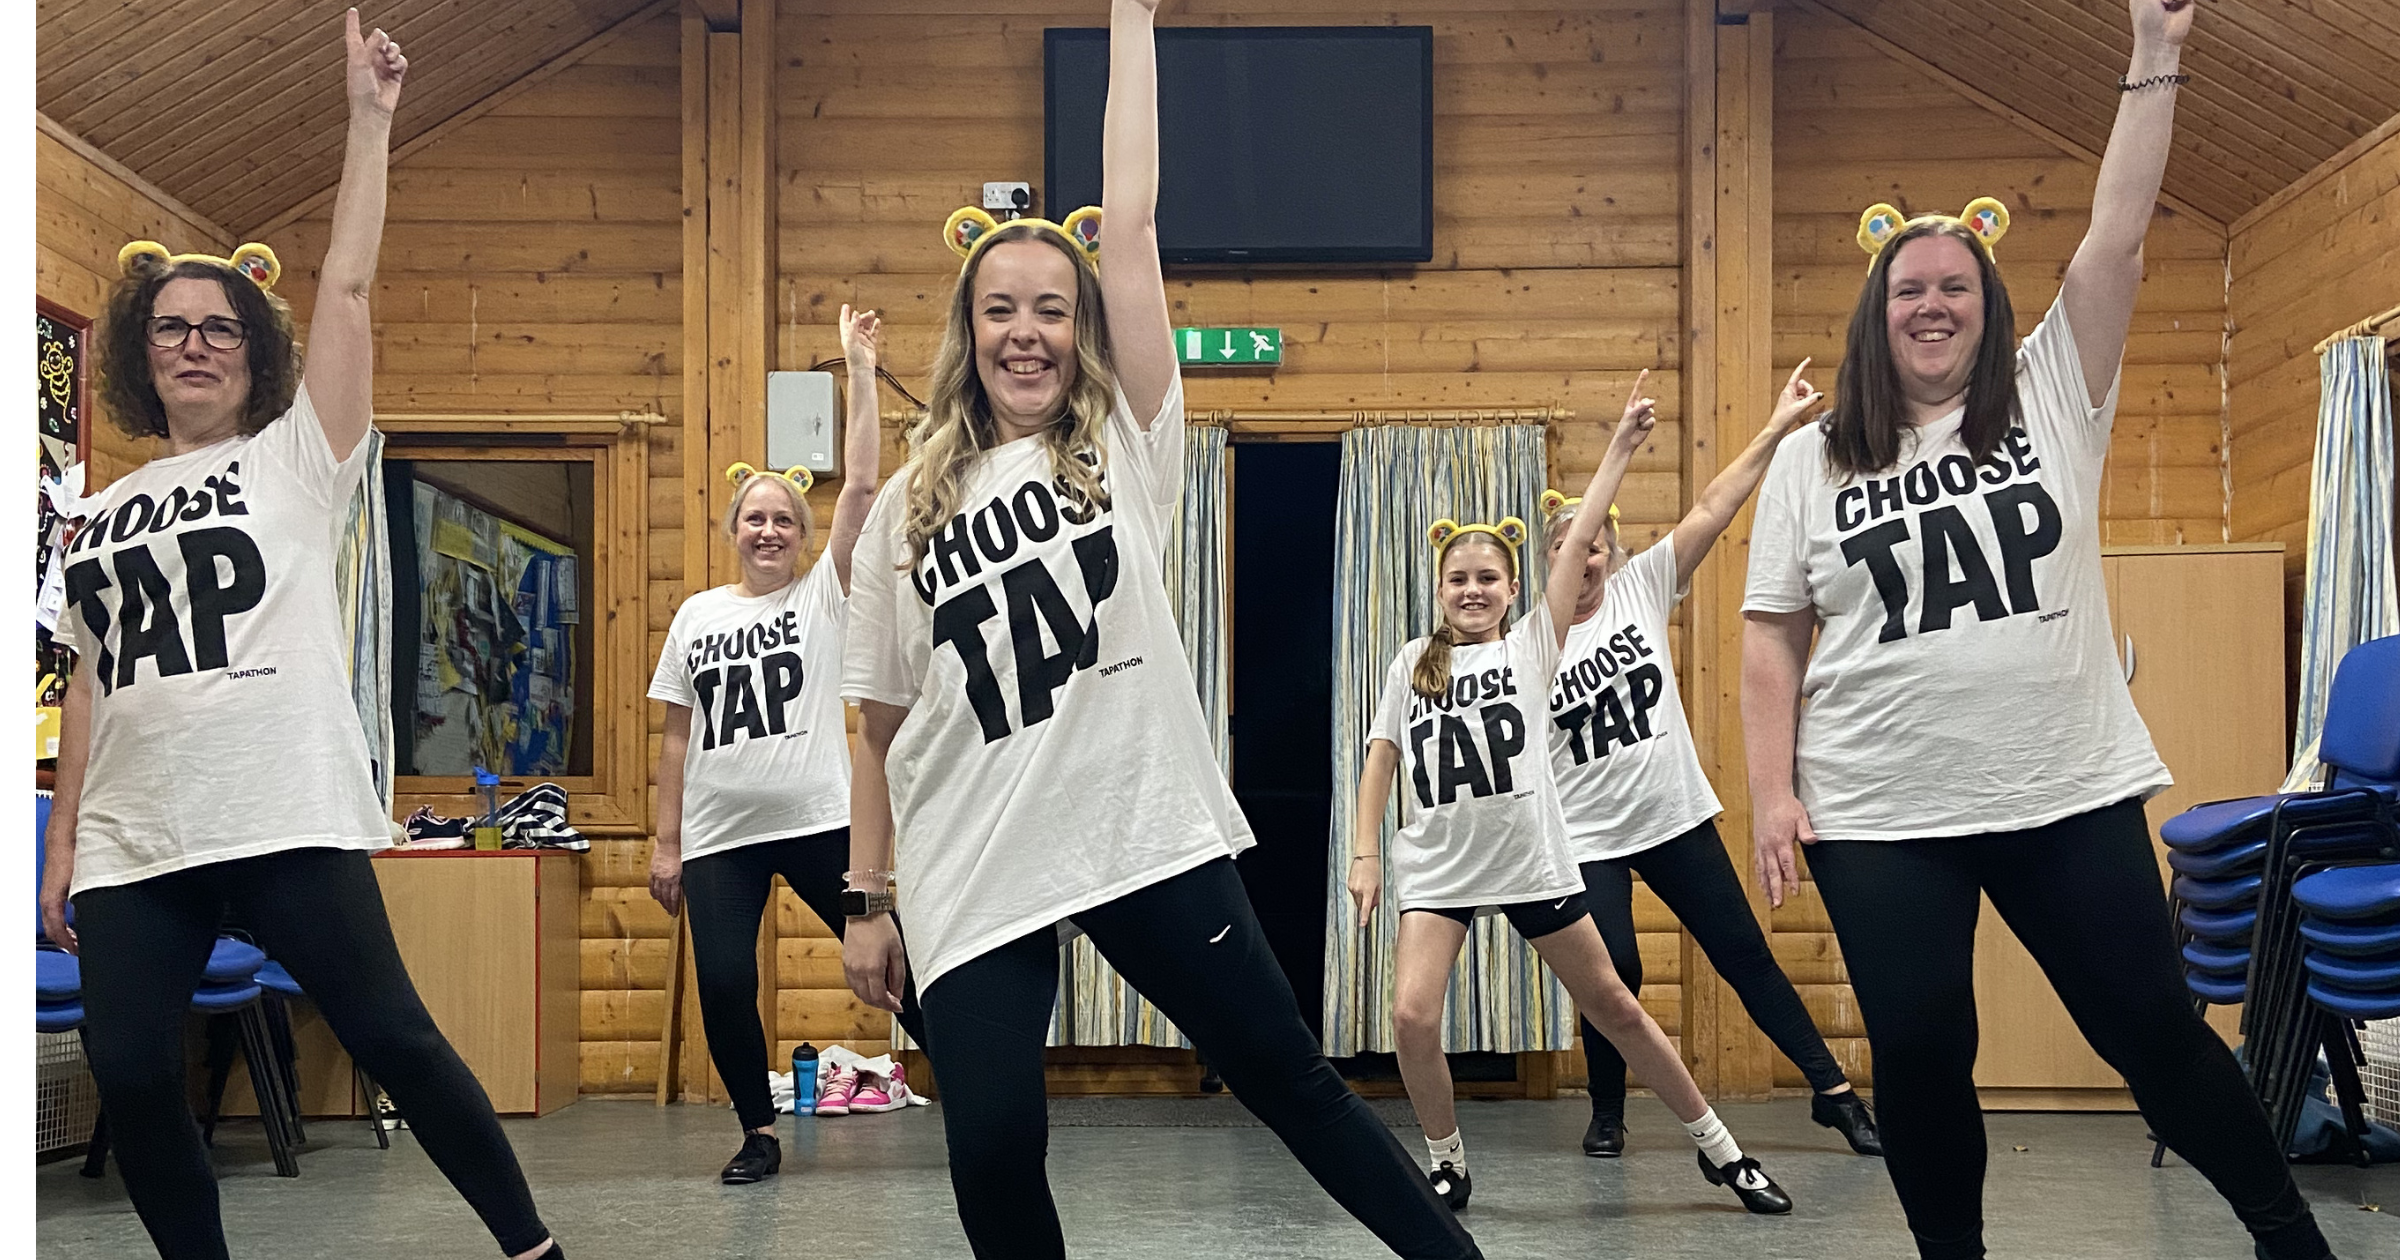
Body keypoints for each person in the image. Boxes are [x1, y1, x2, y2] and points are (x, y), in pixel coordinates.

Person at [836, 3, 1481, 1257]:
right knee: (991, 1148)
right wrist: (869, 899)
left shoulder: (1129, 452)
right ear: (968, 333)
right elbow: (876, 723)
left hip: (1138, 827)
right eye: (1001, 311)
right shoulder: (903, 516)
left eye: (1053, 311)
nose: (1027, 331)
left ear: (1080, 332)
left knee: (1291, 1080)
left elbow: (1127, 224)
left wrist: (1130, 16)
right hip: (974, 863)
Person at [1741, 3, 2337, 1258]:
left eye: (1956, 285)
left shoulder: (2055, 392)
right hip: (1879, 810)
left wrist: (2153, 54)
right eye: (1911, 289)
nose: (1934, 304)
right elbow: (1772, 637)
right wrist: (1770, 792)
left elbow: (2116, 238)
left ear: (1988, 302)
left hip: (2062, 788)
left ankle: (2293, 1240)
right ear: (1877, 310)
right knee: (1916, 1049)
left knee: (2154, 1034)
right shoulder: (1809, 459)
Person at [37, 13, 563, 1260]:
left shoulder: (297, 459)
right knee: (133, 1071)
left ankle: (533, 1247)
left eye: (219, 326)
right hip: (132, 842)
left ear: (254, 349)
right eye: (171, 327)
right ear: (140, 355)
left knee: (394, 1039)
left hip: (280, 811)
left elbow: (351, 284)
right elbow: (92, 678)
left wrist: (368, 123)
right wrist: (63, 843)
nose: (196, 344)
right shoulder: (94, 512)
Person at [1350, 375, 1792, 1217]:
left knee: (1616, 1005)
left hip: (1530, 861)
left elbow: (1585, 529)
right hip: (1441, 869)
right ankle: (1448, 1163)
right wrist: (1366, 854)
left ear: (1517, 588)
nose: (1472, 589)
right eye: (1457, 579)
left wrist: (1623, 446)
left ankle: (1721, 1151)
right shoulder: (1413, 661)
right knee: (1411, 1018)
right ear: (1439, 588)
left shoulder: (1528, 648)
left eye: (1488, 577)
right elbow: (1380, 760)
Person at [1542, 360, 1881, 1161]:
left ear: (1612, 556)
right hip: (1585, 837)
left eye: (1594, 546)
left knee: (1744, 956)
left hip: (1671, 818)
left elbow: (1713, 506)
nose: (1584, 557)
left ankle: (1834, 1095)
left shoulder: (1641, 588)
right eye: (1567, 546)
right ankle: (1608, 1111)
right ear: (1551, 562)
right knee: (1611, 973)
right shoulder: (1534, 638)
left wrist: (1775, 427)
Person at [647, 305, 926, 1184]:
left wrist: (858, 368)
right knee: (723, 986)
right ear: (734, 531)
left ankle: (981, 1087)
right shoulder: (697, 614)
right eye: (754, 519)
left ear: (803, 540)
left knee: (895, 962)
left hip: (817, 821)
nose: (769, 530)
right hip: (720, 837)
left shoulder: (820, 600)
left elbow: (861, 489)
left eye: (783, 520)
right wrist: (665, 841)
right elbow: (675, 732)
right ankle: (758, 1133)